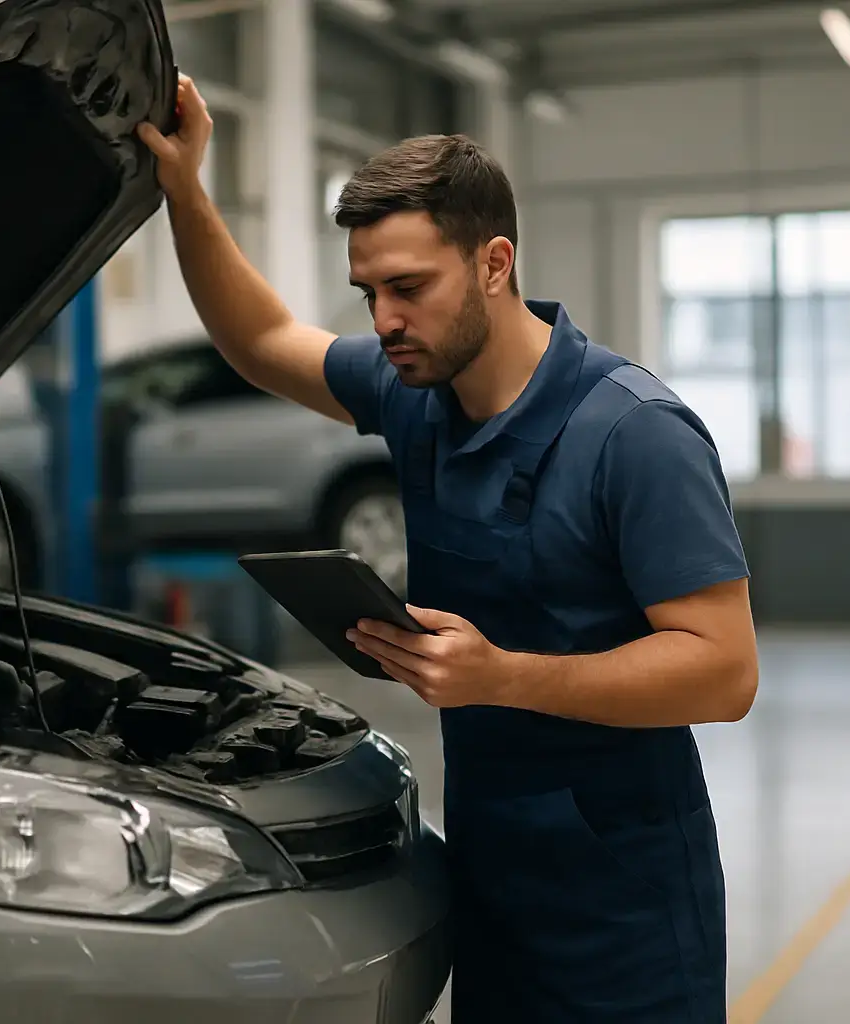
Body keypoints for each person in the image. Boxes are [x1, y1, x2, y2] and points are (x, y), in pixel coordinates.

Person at [138, 74, 759, 1022]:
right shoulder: (413, 394)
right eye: (368, 291)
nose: (383, 319)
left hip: (624, 906)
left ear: (495, 263)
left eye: (409, 288)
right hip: (488, 874)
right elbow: (262, 339)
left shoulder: (636, 435)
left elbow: (725, 673)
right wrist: (185, 190)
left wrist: (502, 675)